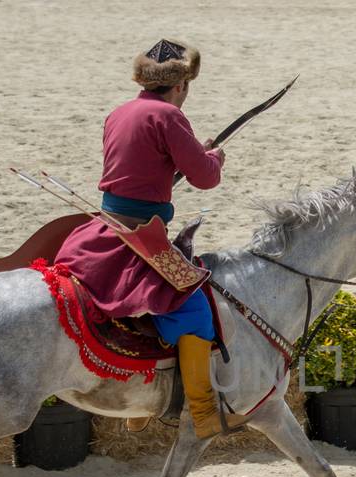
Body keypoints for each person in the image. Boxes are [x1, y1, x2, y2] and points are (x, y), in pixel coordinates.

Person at [54, 38, 227, 437]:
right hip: (140, 237)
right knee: (194, 311)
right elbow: (204, 178)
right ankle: (202, 414)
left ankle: (140, 404)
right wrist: (213, 156)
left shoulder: (120, 112)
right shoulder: (170, 117)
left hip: (104, 226)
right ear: (181, 85)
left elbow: (143, 165)